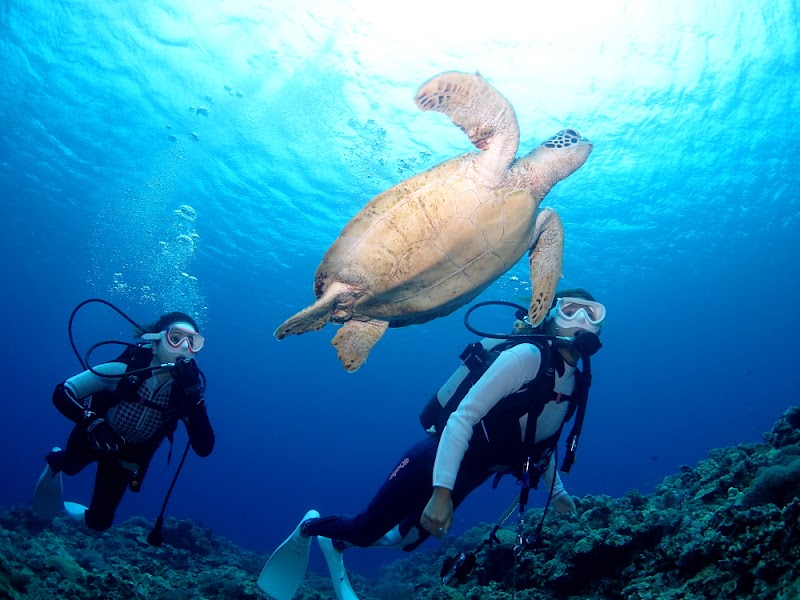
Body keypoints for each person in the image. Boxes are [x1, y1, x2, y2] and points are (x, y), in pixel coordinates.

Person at [258, 289, 606, 600]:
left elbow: (541, 442)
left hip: (472, 473)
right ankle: (310, 528)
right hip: (436, 458)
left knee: (406, 542)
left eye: (592, 314)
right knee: (366, 530)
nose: (581, 320)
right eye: (570, 310)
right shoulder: (527, 357)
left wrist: (557, 493)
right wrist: (441, 492)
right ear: (550, 316)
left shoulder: (576, 381)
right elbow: (462, 418)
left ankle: (336, 543)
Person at [33, 311, 215, 532]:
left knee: (99, 523)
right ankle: (56, 461)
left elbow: (204, 447)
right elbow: (62, 392)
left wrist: (194, 399)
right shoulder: (124, 370)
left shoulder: (183, 395)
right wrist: (92, 422)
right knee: (69, 466)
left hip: (127, 456)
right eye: (175, 338)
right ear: (155, 342)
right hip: (94, 437)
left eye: (192, 342)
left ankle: (86, 514)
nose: (184, 347)